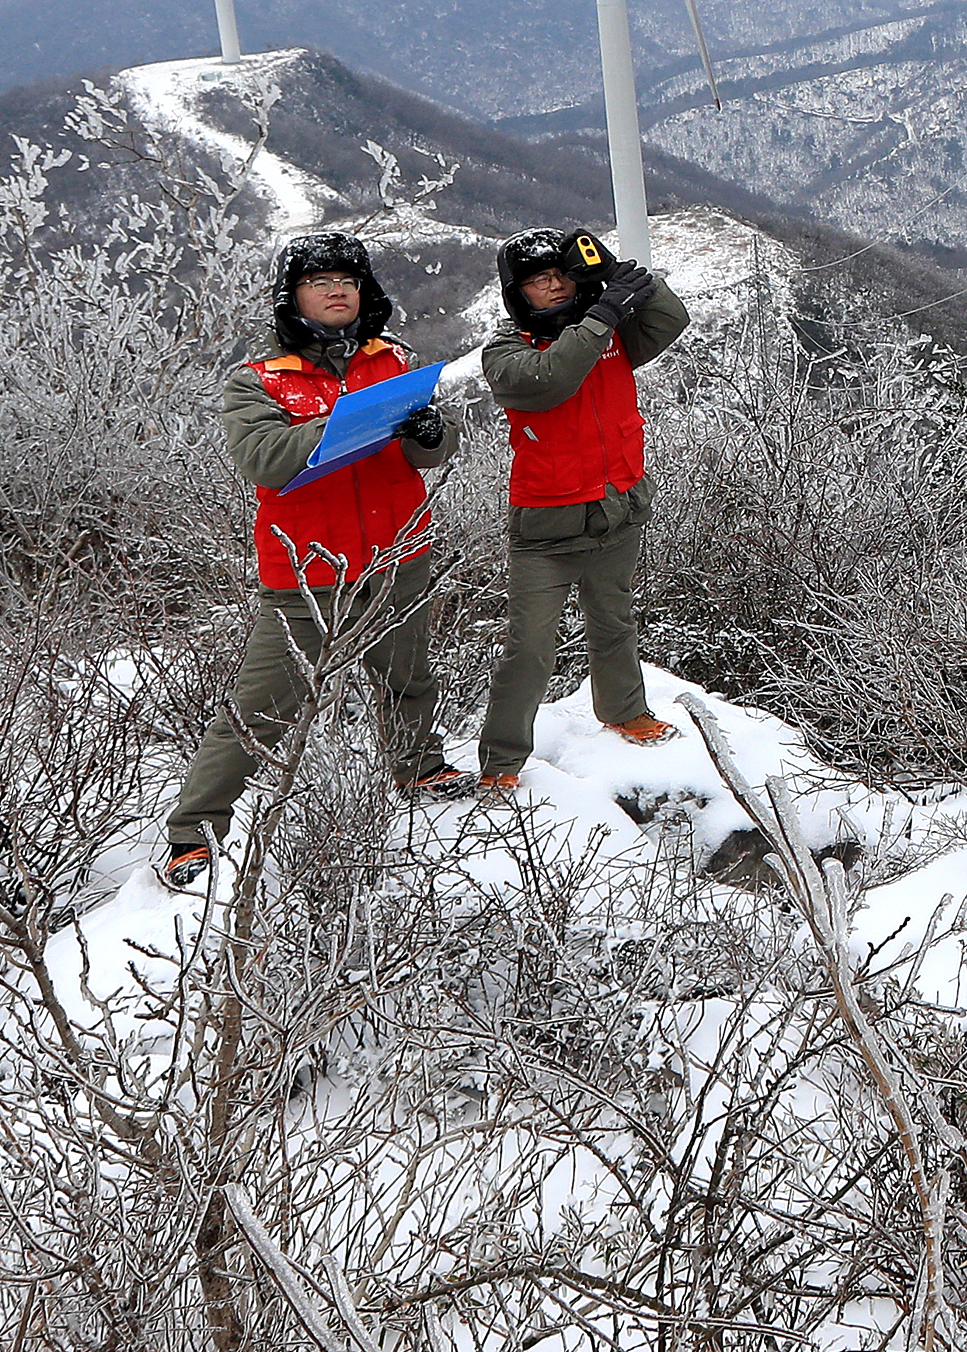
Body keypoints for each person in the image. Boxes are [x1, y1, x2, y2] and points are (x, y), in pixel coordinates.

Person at [160, 229, 467, 893]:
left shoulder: (394, 362)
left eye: (348, 281)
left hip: (397, 552)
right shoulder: (258, 381)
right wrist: (350, 421)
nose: (336, 290)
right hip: (308, 573)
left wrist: (430, 433)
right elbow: (264, 459)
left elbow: (427, 456)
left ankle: (418, 767)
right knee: (260, 705)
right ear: (292, 296)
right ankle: (194, 829)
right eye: (319, 281)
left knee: (408, 677)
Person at [475, 225, 693, 784]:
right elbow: (553, 381)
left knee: (615, 620)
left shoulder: (610, 337)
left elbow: (671, 320)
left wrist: (610, 271)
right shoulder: (507, 352)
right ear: (515, 293)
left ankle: (624, 712)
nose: (554, 286)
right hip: (545, 530)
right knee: (529, 650)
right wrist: (604, 313)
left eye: (561, 274)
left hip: (616, 509)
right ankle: (501, 762)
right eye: (538, 280)